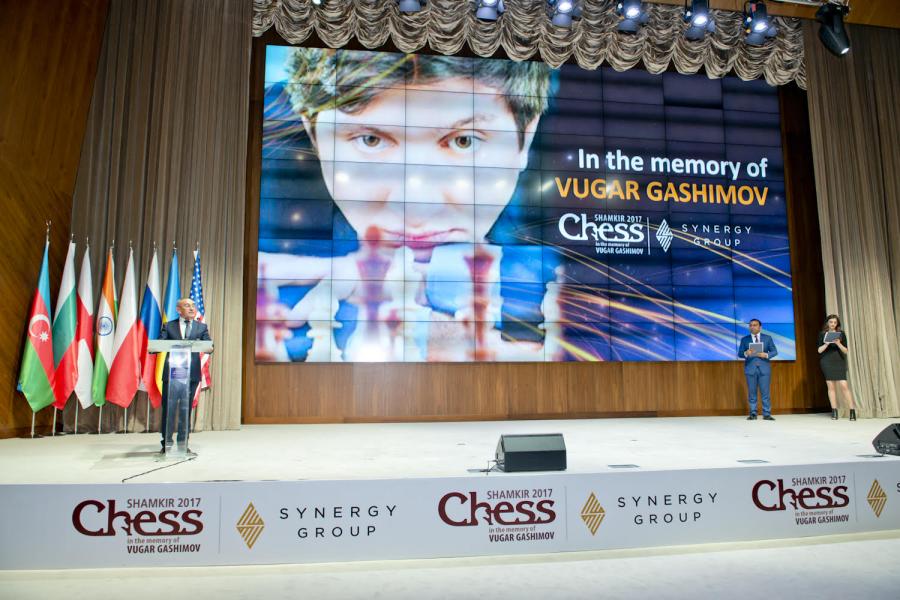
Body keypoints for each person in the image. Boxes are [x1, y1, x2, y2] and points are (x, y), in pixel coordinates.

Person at [256, 49, 552, 362]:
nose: (416, 211)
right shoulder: (265, 143)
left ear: (527, 136)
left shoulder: (554, 254)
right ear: (311, 132)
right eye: (370, 140)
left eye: (464, 141)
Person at [158, 298, 212, 454]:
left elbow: (208, 345)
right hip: (172, 374)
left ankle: (183, 443)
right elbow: (160, 343)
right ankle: (166, 444)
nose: (192, 308)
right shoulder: (169, 326)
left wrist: (208, 347)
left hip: (191, 374)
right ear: (178, 309)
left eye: (193, 306)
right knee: (168, 410)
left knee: (185, 409)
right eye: (187, 305)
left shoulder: (201, 327)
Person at [817, 314, 856, 421]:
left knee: (844, 385)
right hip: (826, 361)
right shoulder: (822, 334)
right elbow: (819, 350)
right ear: (827, 323)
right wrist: (826, 344)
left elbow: (846, 351)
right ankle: (834, 411)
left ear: (837, 323)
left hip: (839, 360)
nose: (833, 324)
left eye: (835, 322)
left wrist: (838, 343)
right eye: (831, 322)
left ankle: (852, 410)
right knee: (831, 386)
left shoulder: (841, 334)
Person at [738, 318, 778, 420]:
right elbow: (740, 354)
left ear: (760, 327)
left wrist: (766, 355)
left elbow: (774, 351)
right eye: (750, 325)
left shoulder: (767, 338)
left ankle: (767, 414)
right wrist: (746, 353)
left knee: (765, 393)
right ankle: (753, 413)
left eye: (755, 325)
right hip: (750, 368)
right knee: (752, 392)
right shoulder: (745, 339)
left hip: (764, 368)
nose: (752, 327)